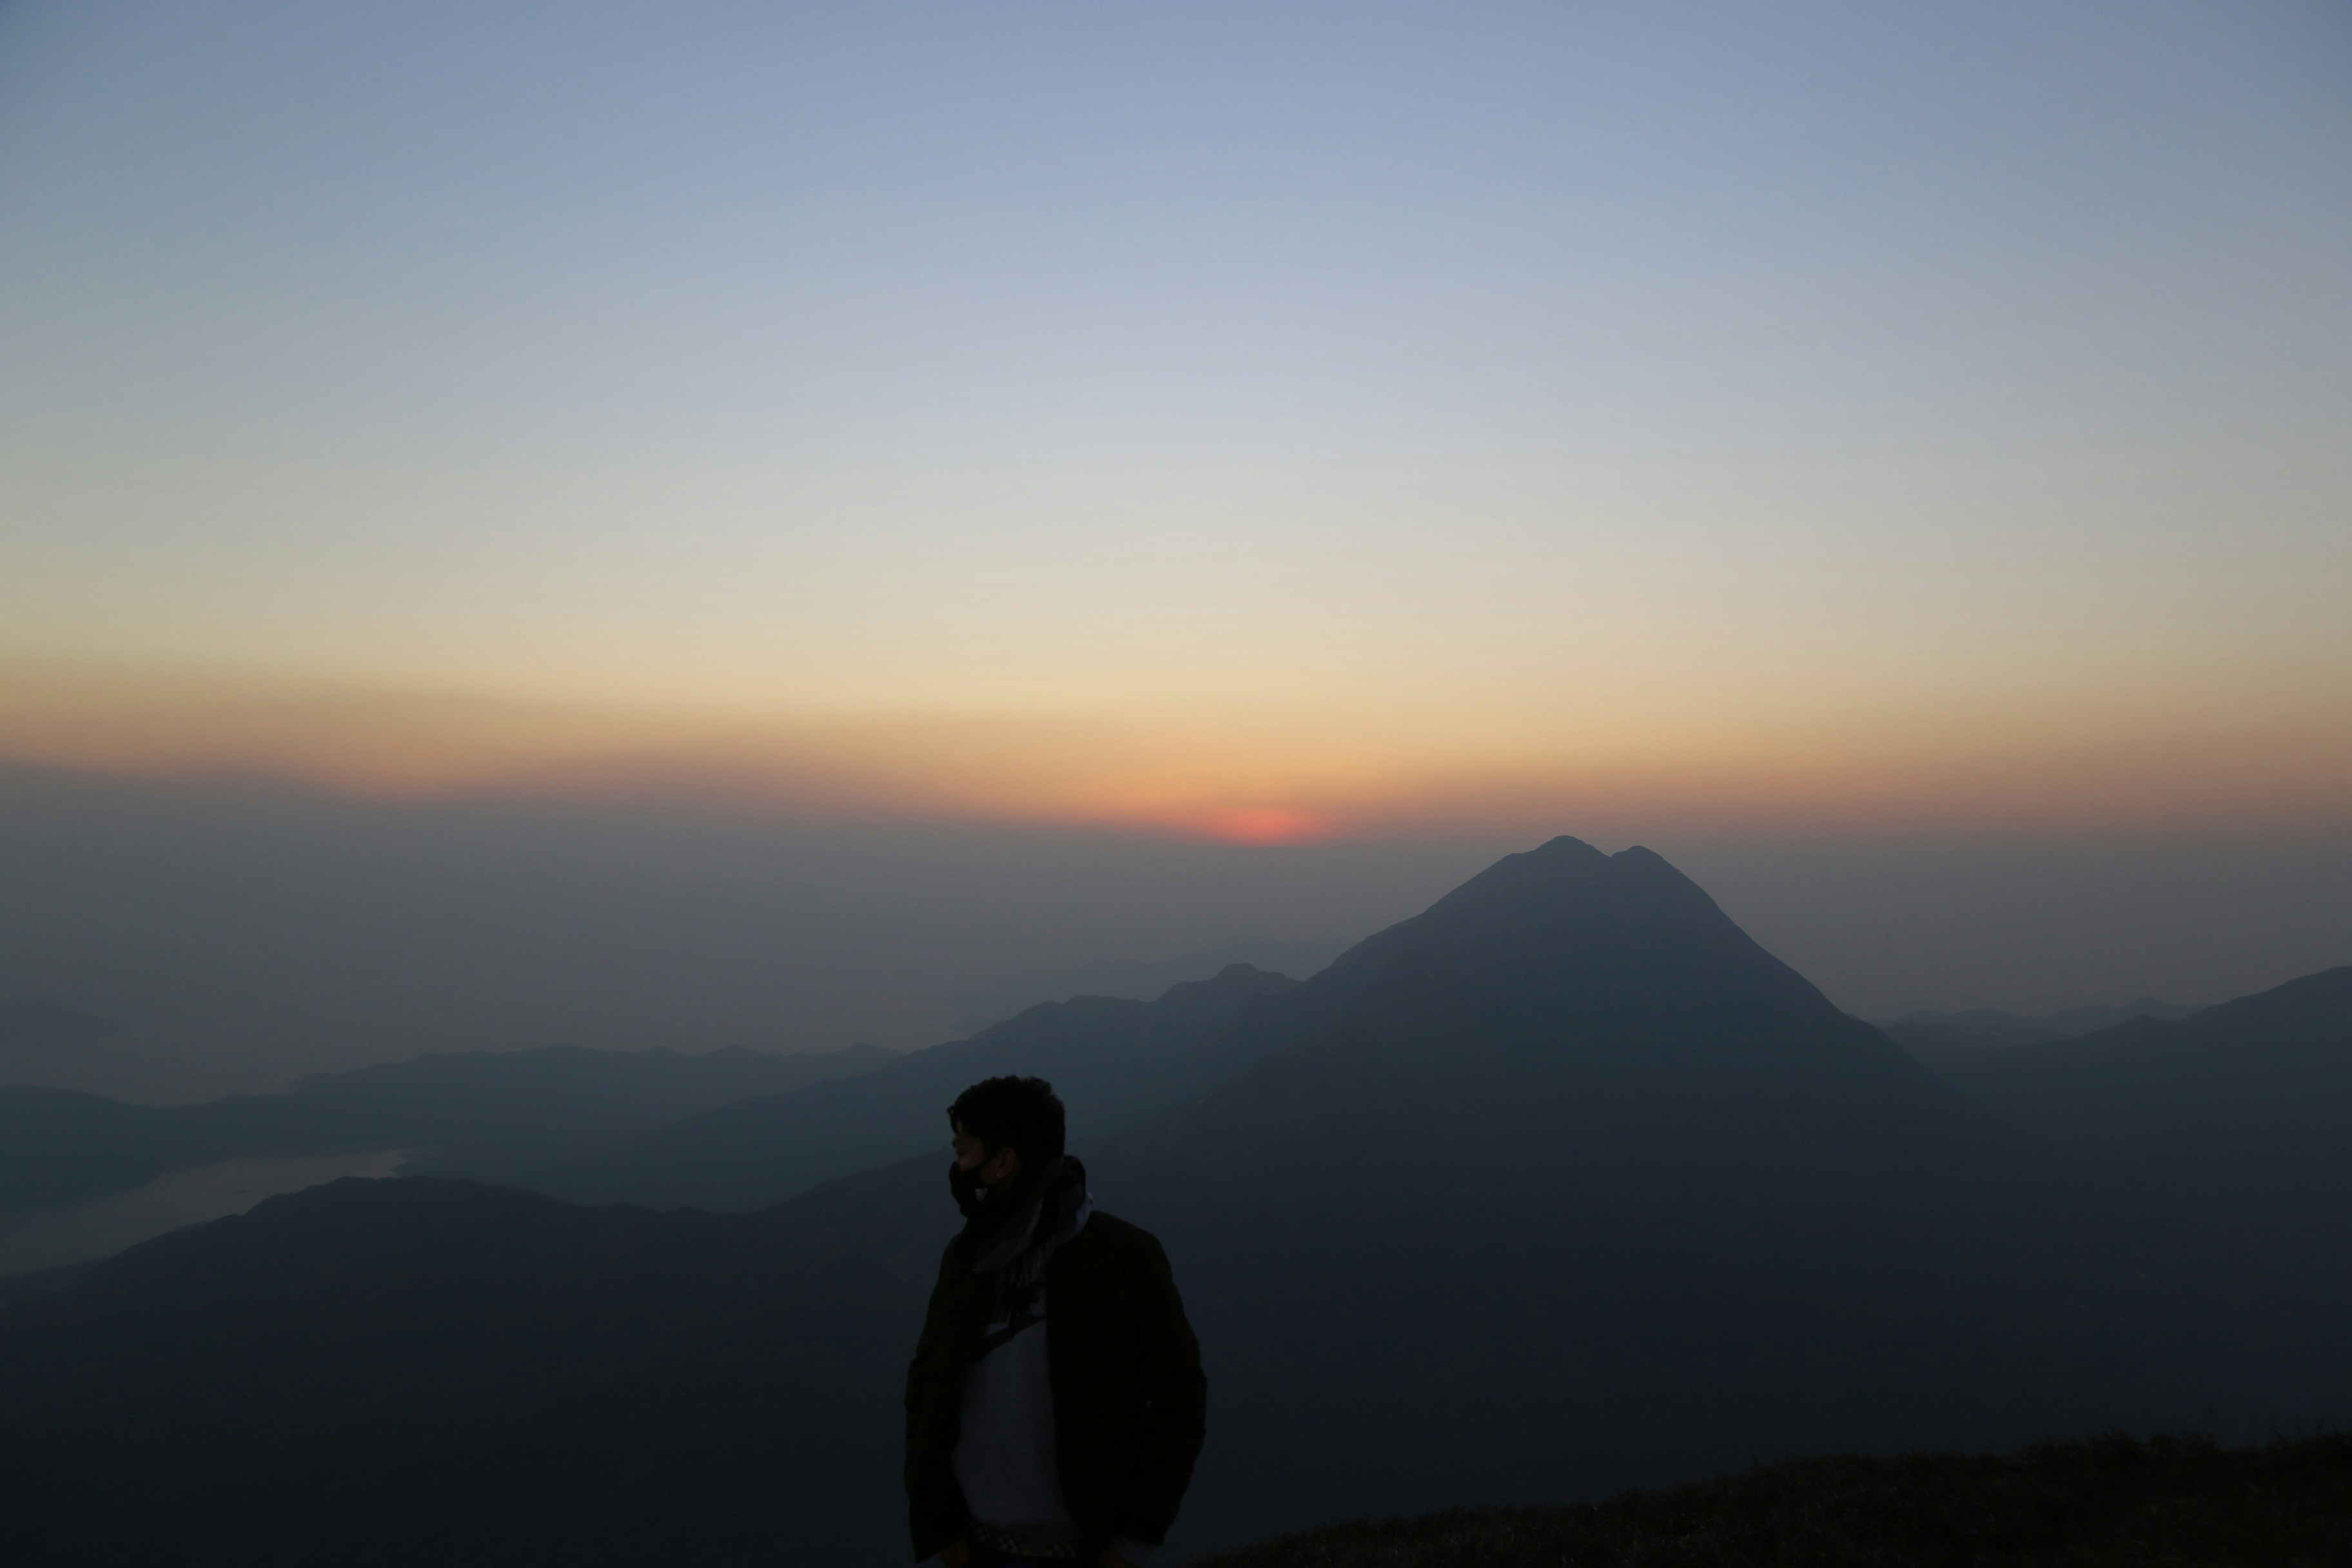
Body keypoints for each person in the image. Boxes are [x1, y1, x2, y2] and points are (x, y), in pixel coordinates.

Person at [905, 1075, 1206, 1568]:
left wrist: (1133, 1542)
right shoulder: (967, 1260)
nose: (958, 1167)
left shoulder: (1121, 1257)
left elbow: (1179, 1399)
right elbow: (928, 1389)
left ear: (1002, 1162)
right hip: (977, 1545)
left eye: (964, 1151)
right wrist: (940, 1523)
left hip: (1086, 1552)